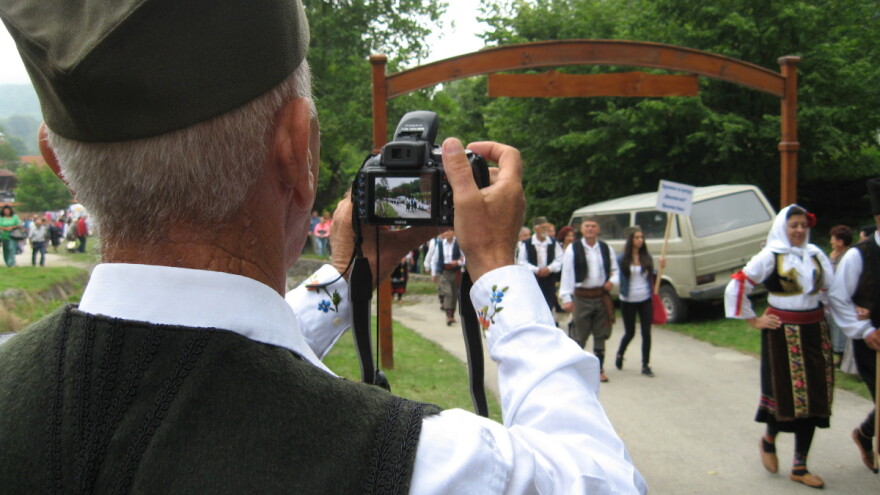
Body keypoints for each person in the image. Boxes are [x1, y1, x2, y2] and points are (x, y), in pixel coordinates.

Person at [0, 1, 645, 493]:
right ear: (299, 151)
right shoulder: (408, 463)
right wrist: (499, 269)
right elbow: (606, 477)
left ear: (58, 163)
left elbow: (188, 371)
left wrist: (350, 277)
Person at [724, 205, 834, 488]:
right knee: (787, 396)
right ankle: (770, 437)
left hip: (815, 331)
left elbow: (831, 292)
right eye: (793, 225)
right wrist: (753, 320)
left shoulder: (816, 254)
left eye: (802, 225)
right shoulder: (770, 256)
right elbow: (738, 284)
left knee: (815, 397)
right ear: (782, 228)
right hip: (783, 333)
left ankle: (800, 465)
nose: (799, 230)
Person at [828, 177, 880, 475]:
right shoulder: (859, 255)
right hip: (871, 343)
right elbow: (838, 298)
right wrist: (865, 330)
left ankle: (865, 433)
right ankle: (866, 434)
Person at [560, 218, 620, 382]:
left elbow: (615, 270)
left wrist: (612, 281)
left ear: (598, 229)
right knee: (580, 335)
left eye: (593, 226)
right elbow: (567, 274)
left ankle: (599, 369)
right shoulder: (573, 249)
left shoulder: (606, 248)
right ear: (582, 229)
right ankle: (577, 369)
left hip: (601, 296)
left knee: (601, 334)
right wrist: (566, 297)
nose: (590, 229)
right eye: (587, 226)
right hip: (582, 297)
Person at [615, 227, 664, 377]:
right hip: (628, 299)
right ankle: (620, 353)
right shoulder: (621, 258)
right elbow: (616, 276)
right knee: (630, 332)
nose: (640, 240)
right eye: (636, 237)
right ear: (631, 240)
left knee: (646, 333)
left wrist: (661, 267)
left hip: (645, 299)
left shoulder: (647, 257)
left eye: (642, 237)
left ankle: (645, 364)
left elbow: (652, 277)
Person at [517, 216, 563, 313]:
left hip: (549, 279)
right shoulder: (527, 244)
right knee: (534, 305)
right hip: (533, 279)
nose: (545, 230)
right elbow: (522, 262)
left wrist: (549, 269)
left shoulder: (554, 243)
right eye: (543, 227)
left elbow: (560, 259)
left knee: (549, 304)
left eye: (547, 227)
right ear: (535, 229)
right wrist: (536, 270)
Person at [827, 224, 853, 367]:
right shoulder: (837, 256)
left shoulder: (848, 256)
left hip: (845, 299)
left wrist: (831, 261)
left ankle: (841, 354)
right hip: (834, 299)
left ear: (840, 242)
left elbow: (832, 276)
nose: (831, 241)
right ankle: (836, 353)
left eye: (833, 239)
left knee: (839, 326)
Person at [430, 229, 465, 326]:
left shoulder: (458, 244)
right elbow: (434, 259)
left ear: (453, 232)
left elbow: (465, 258)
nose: (446, 233)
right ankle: (448, 316)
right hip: (444, 272)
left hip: (455, 272)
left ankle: (452, 314)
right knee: (448, 293)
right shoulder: (440, 244)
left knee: (454, 294)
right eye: (444, 232)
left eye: (448, 231)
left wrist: (457, 262)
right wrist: (434, 273)